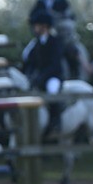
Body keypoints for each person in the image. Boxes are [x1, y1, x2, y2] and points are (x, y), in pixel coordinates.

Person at [32, 0, 90, 81]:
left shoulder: (62, 1)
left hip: (61, 33)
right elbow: (33, 18)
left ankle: (77, 70)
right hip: (46, 32)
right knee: (31, 50)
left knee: (73, 49)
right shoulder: (40, 2)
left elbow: (70, 16)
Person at [22, 8, 66, 141]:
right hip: (38, 77)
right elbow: (30, 62)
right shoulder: (35, 43)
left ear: (44, 26)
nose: (34, 28)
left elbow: (55, 64)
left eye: (37, 25)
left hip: (53, 76)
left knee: (52, 90)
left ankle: (55, 121)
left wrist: (42, 76)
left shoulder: (55, 42)